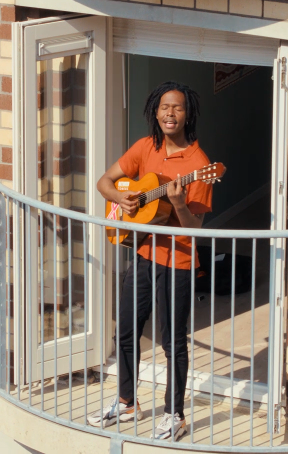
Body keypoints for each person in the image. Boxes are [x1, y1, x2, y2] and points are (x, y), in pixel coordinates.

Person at [88, 81, 213, 441]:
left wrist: (176, 204)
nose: (169, 113)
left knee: (172, 340)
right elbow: (105, 182)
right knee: (125, 329)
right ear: (154, 113)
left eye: (177, 108)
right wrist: (124, 201)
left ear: (188, 114)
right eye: (163, 107)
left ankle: (175, 413)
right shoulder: (146, 147)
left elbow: (195, 229)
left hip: (179, 260)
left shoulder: (199, 165)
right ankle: (127, 401)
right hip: (142, 252)